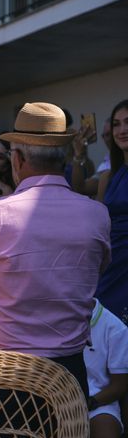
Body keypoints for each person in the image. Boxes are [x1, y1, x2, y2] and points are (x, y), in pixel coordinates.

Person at [0, 102, 111, 394]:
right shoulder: (97, 214)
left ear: (19, 159)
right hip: (67, 369)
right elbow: (96, 271)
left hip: (1, 371)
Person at [95, 100, 128, 324]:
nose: (122, 130)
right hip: (111, 262)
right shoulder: (108, 176)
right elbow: (97, 224)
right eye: (116, 124)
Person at [84, 298, 128, 438]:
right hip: (56, 398)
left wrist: (88, 403)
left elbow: (120, 385)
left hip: (98, 402)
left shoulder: (115, 328)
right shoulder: (52, 319)